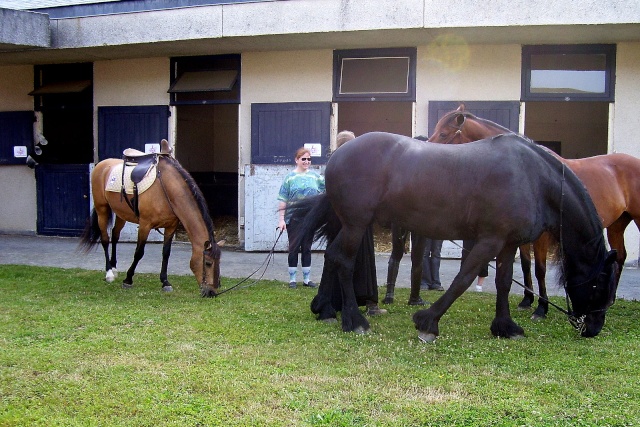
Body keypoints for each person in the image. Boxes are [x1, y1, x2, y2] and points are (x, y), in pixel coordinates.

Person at [322, 130, 387, 316]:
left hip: (353, 219)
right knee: (352, 258)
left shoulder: (349, 165)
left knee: (355, 258)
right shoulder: (341, 165)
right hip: (350, 219)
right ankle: (365, 302)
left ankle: (364, 302)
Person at [277, 147, 325, 289]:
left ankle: (306, 279)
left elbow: (327, 190)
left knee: (307, 248)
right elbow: (282, 198)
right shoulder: (289, 178)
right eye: (303, 159)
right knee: (293, 248)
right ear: (296, 160)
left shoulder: (316, 177)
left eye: (308, 159)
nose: (306, 161)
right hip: (293, 219)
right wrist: (281, 219)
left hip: (310, 219)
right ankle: (292, 279)